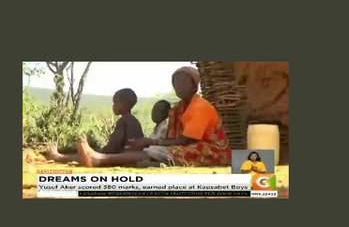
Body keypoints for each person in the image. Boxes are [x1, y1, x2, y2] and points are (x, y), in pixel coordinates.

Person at [75, 66, 230, 168]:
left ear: (195, 87)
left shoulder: (200, 106)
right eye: (175, 83)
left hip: (212, 152)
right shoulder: (178, 109)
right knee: (152, 151)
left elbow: (185, 141)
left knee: (154, 150)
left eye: (183, 83)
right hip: (189, 148)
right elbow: (173, 139)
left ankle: (98, 160)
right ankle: (100, 158)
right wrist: (150, 144)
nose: (178, 86)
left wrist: (150, 142)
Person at [46, 89, 144, 164]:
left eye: (115, 103)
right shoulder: (134, 121)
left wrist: (100, 153)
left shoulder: (124, 121)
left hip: (122, 157)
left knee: (83, 156)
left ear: (124, 104)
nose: (113, 106)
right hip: (131, 156)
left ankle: (58, 157)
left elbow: (113, 147)